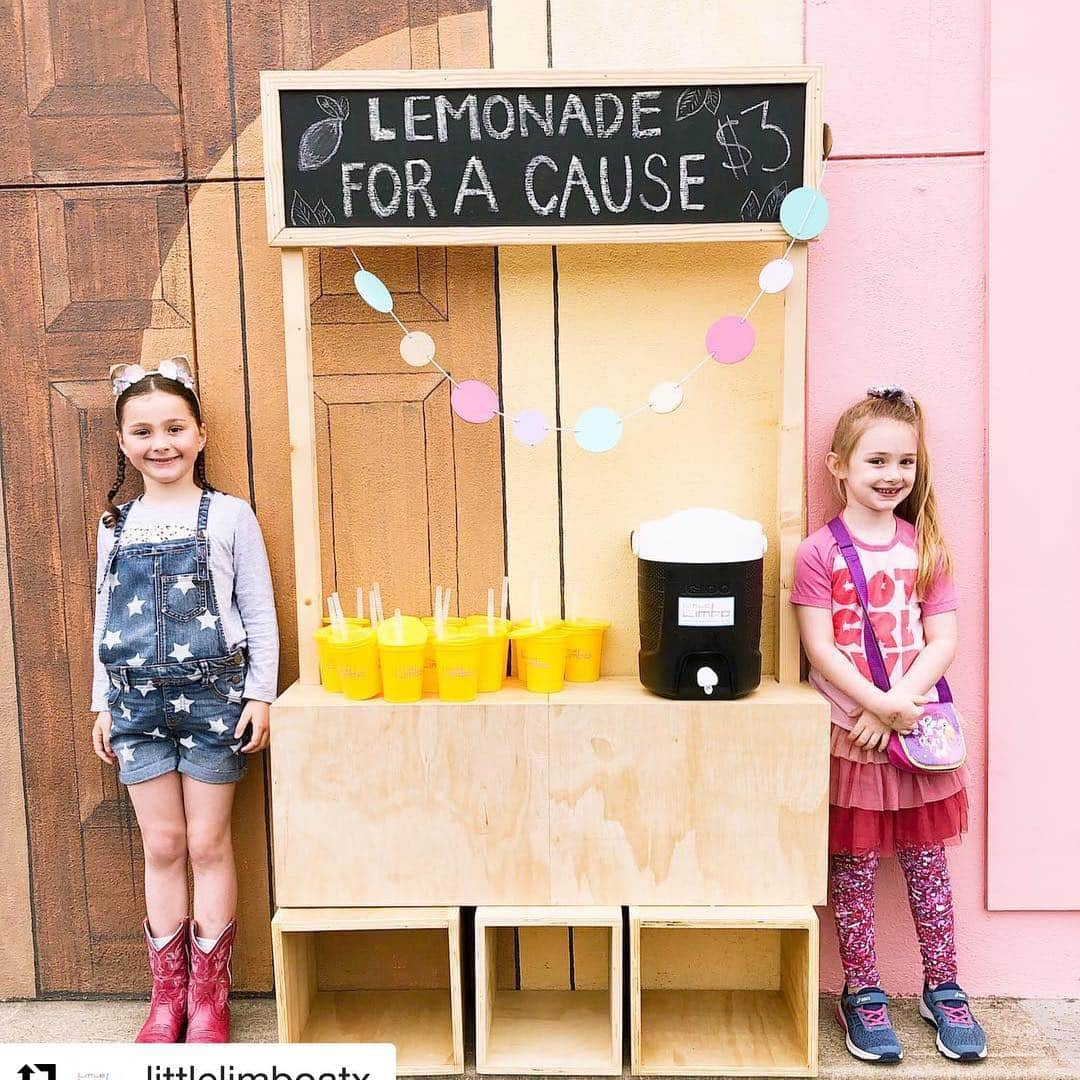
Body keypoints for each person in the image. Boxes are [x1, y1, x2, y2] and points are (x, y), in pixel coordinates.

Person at [791, 385, 987, 1063]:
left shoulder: (924, 545)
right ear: (838, 465)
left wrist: (898, 703)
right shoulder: (818, 553)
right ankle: (864, 994)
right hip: (854, 738)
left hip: (915, 727)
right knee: (853, 874)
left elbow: (942, 639)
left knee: (928, 870)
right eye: (876, 460)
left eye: (904, 462)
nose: (891, 475)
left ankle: (945, 987)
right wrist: (869, 708)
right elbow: (819, 649)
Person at [90, 356, 278, 1043]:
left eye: (174, 427)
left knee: (206, 841)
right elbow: (102, 619)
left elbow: (258, 613)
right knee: (163, 843)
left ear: (199, 435)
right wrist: (100, 702)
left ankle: (210, 1000)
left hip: (214, 703)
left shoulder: (228, 516)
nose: (159, 442)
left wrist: (259, 695)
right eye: (142, 431)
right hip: (135, 705)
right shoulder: (115, 525)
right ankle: (166, 999)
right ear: (123, 441)